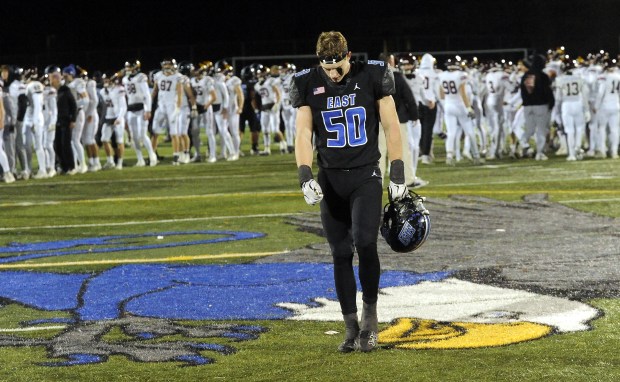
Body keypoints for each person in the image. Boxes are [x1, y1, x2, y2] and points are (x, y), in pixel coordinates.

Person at [292, 31, 408, 353]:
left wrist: (396, 172)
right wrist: (305, 175)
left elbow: (391, 126)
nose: (333, 74)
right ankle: (350, 326)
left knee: (366, 242)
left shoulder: (372, 73)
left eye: (338, 66)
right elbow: (303, 133)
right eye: (326, 68)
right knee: (340, 253)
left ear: (348, 55)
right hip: (330, 178)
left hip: (365, 174)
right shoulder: (307, 82)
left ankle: (370, 318)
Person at [519, 53, 555, 160]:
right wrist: (551, 103)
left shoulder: (525, 76)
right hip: (541, 105)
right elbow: (547, 91)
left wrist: (526, 102)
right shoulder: (543, 76)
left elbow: (523, 92)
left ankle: (523, 143)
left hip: (527, 106)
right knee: (541, 130)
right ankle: (539, 152)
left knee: (529, 130)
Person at [49, 66, 77, 174]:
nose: (51, 81)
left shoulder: (65, 90)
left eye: (53, 78)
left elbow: (73, 105)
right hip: (55, 121)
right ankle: (63, 166)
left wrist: (73, 119)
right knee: (57, 145)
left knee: (66, 144)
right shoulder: (51, 91)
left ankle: (71, 167)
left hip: (65, 120)